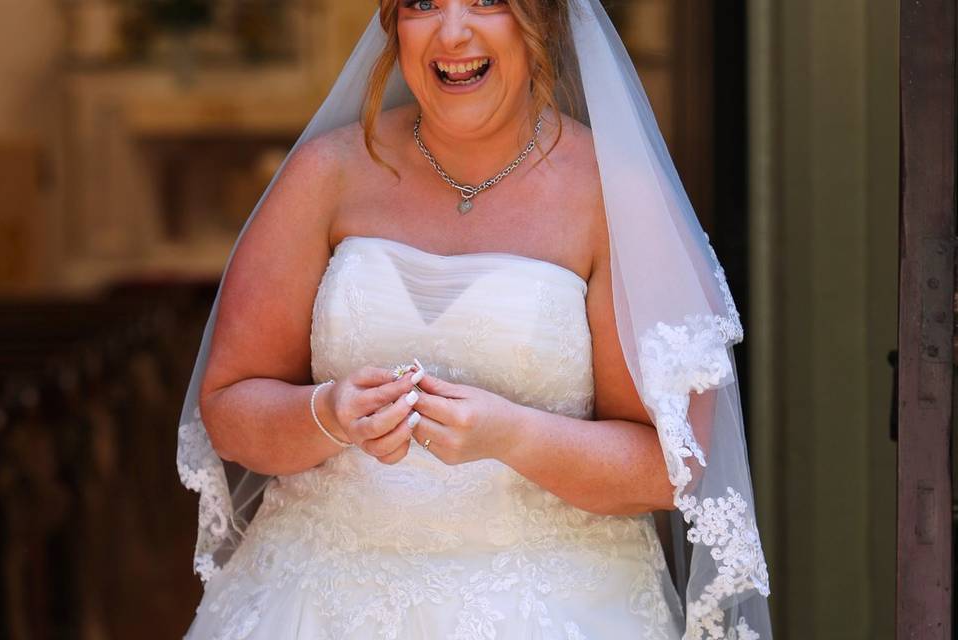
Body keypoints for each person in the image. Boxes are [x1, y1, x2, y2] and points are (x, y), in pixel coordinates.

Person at [177, 0, 773, 638]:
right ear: (393, 24)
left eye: (487, 1)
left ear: (540, 20)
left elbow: (668, 463)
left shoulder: (614, 196)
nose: (451, 32)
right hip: (313, 599)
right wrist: (327, 414)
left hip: (552, 603)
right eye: (423, 5)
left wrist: (510, 435)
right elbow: (230, 408)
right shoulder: (327, 174)